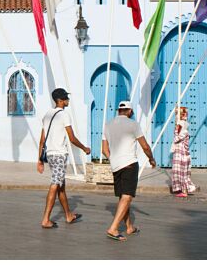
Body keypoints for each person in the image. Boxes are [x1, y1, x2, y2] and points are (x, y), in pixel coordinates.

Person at [37, 88, 91, 229]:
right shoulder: (64, 115)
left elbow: (42, 140)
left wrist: (40, 160)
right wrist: (84, 148)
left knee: (61, 186)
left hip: (50, 154)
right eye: (66, 98)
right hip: (60, 155)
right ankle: (45, 219)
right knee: (55, 184)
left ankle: (68, 215)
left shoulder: (47, 115)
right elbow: (72, 138)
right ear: (60, 100)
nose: (68, 100)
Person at [102, 100, 156, 242]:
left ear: (119, 110)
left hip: (116, 165)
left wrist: (112, 158)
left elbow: (104, 149)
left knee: (122, 197)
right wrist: (151, 159)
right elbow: (145, 146)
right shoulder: (133, 124)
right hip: (129, 164)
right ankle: (113, 228)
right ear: (130, 111)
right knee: (127, 197)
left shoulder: (108, 124)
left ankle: (129, 227)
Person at [171, 106, 196, 197]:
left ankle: (185, 190)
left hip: (182, 153)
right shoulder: (182, 126)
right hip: (180, 152)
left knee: (182, 172)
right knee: (179, 171)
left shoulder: (183, 128)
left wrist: (176, 130)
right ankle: (183, 190)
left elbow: (177, 138)